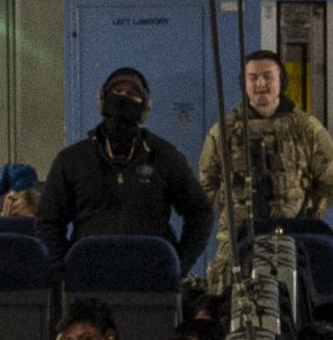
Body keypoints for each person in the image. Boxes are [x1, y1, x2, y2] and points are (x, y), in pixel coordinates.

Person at [36, 66, 213, 275]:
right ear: (103, 100)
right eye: (117, 91)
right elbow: (47, 223)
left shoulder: (165, 156)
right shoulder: (72, 159)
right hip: (89, 278)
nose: (123, 98)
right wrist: (65, 271)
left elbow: (200, 213)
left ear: (144, 107)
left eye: (132, 94)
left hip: (151, 279)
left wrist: (178, 265)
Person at [197, 48, 333, 289]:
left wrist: (310, 213)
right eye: (253, 78)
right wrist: (233, 206)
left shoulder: (306, 128)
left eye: (268, 77)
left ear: (282, 81)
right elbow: (207, 185)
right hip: (238, 240)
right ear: (244, 83)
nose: (260, 84)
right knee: (226, 297)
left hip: (294, 236)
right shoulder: (223, 132)